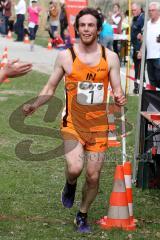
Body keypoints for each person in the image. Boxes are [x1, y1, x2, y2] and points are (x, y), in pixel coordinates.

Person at [23, 8, 126, 233]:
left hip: (98, 126)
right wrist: (35, 104)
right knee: (75, 168)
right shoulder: (65, 56)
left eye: (91, 25)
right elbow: (50, 87)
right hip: (73, 124)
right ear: (77, 28)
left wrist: (119, 96)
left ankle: (82, 213)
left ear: (98, 29)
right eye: (83, 25)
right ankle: (69, 185)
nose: (86, 29)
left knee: (93, 175)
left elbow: (117, 88)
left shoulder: (110, 58)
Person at [131, 3, 144, 94]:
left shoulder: (142, 18)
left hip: (140, 48)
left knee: (140, 68)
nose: (133, 12)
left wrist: (142, 35)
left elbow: (145, 31)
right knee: (137, 68)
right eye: (132, 10)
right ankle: (137, 86)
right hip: (135, 46)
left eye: (135, 10)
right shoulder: (135, 18)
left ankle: (140, 87)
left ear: (139, 10)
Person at [146, 2, 160, 88]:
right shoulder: (147, 23)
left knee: (159, 80)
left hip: (158, 57)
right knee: (152, 81)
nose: (151, 12)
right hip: (149, 57)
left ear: (158, 11)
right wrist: (140, 51)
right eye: (150, 10)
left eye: (153, 10)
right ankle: (155, 101)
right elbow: (145, 39)